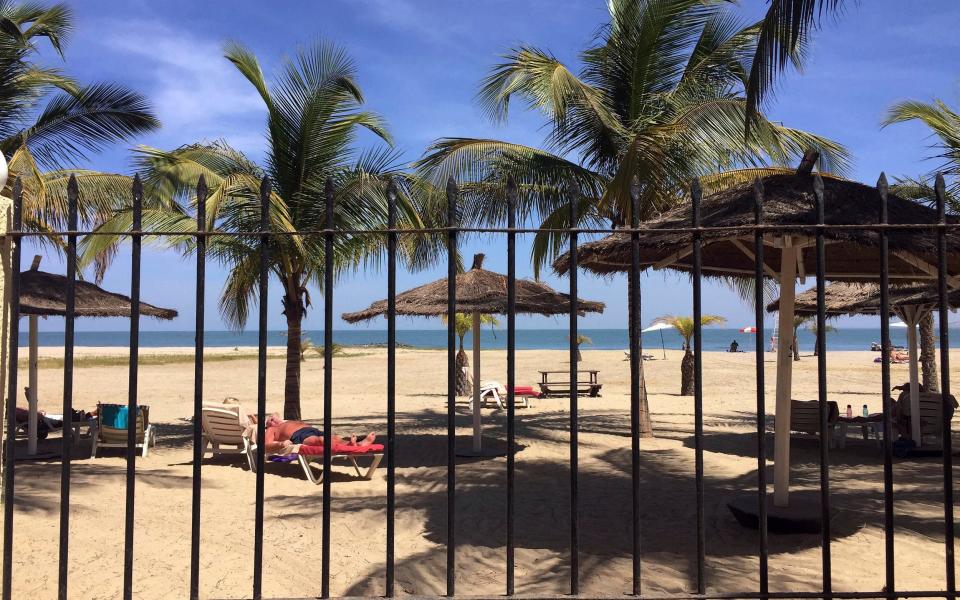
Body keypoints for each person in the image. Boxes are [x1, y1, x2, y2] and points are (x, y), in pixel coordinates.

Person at [262, 414, 376, 453]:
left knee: (334, 437)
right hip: (297, 436)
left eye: (273, 417)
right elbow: (265, 447)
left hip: (311, 429)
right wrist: (280, 444)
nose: (273, 420)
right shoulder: (271, 430)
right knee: (321, 441)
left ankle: (356, 444)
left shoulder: (288, 421)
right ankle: (352, 445)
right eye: (270, 421)